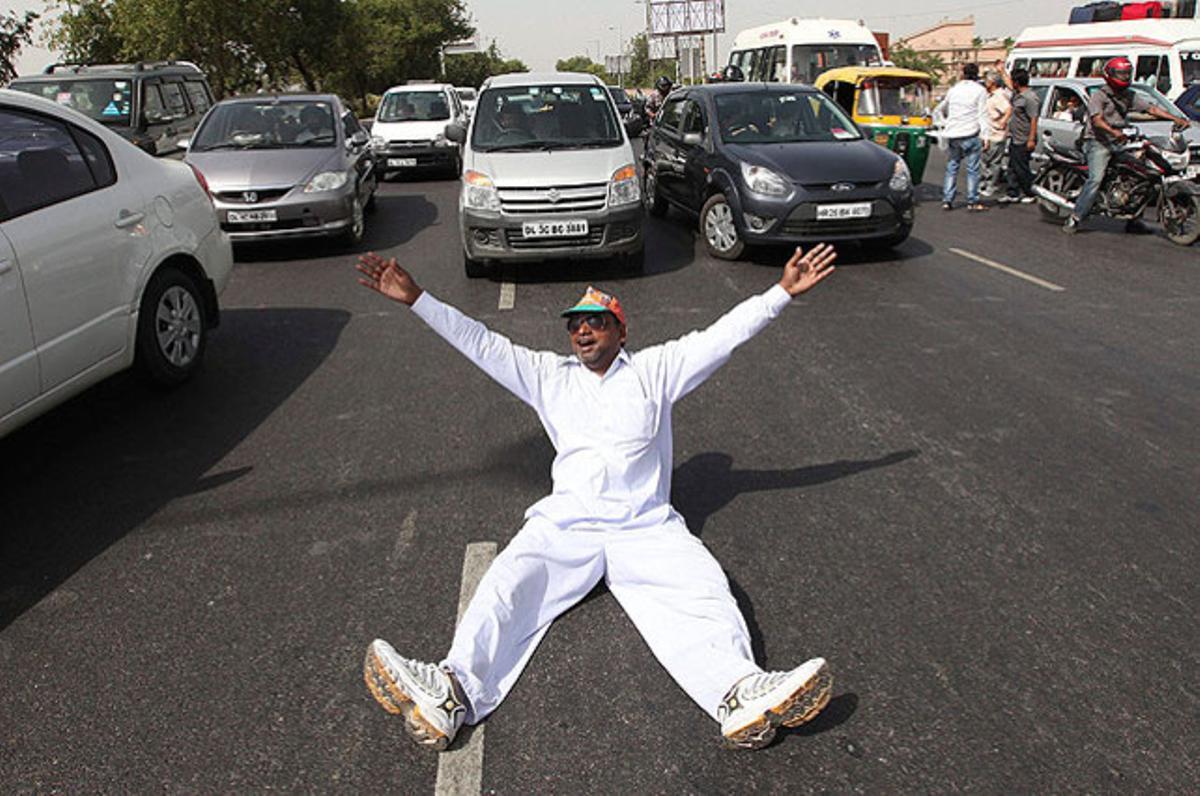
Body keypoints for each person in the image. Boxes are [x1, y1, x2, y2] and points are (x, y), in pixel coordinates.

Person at [356, 243, 839, 752]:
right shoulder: (547, 376)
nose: (583, 330)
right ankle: (451, 692)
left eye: (596, 321)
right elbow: (481, 342)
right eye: (575, 324)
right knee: (507, 583)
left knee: (704, 589)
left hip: (646, 526)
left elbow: (722, 337)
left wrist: (781, 292)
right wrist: (417, 299)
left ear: (621, 331)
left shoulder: (657, 370)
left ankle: (740, 692)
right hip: (566, 524)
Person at [1064, 56, 1194, 235]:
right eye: (1121, 74)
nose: (1125, 77)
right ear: (1110, 75)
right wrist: (1114, 132)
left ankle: (1133, 218)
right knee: (1095, 179)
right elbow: (1097, 121)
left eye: (1127, 74)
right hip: (1098, 142)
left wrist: (1176, 118)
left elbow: (1151, 109)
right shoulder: (1099, 96)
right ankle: (1076, 217)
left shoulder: (1129, 95)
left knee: (1142, 175)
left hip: (1122, 141)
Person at [933, 62, 989, 212]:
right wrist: (986, 136)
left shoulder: (954, 90)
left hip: (954, 133)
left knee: (952, 167)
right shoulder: (980, 91)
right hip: (971, 133)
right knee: (973, 169)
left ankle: (947, 200)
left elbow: (943, 107)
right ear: (977, 74)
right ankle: (972, 201)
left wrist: (944, 122)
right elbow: (982, 114)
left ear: (963, 74)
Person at [998, 66, 1039, 204]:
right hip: (1015, 137)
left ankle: (1030, 191)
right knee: (1012, 167)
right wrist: (1002, 71)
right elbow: (1009, 84)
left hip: (1024, 138)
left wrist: (1031, 139)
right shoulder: (1018, 95)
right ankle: (1012, 192)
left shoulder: (1030, 98)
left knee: (1022, 168)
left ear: (1017, 82)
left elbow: (1034, 119)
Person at [980, 70, 1012, 198]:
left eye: (987, 81)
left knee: (992, 162)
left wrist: (1003, 122)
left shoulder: (998, 96)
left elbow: (1008, 109)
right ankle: (985, 184)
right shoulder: (991, 95)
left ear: (992, 82)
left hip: (995, 134)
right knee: (986, 160)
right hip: (989, 133)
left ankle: (990, 185)